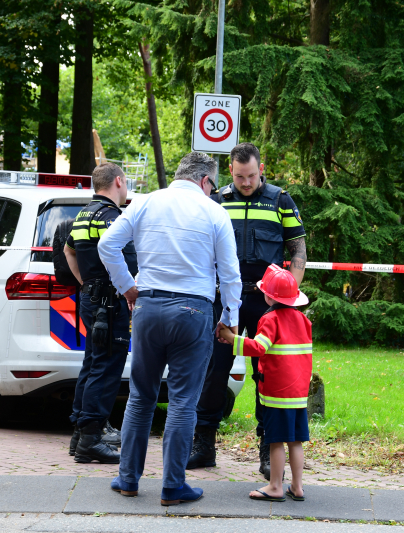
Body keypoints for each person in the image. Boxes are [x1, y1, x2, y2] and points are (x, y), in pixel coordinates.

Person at [98, 151, 242, 506]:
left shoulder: (146, 202)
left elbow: (107, 245)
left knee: (140, 396)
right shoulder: (214, 212)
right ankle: (173, 486)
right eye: (212, 186)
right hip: (193, 311)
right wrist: (230, 317)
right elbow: (230, 272)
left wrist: (127, 287)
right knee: (182, 401)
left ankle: (128, 478)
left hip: (147, 307)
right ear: (205, 181)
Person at [187, 142, 307, 480]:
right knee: (214, 370)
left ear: (261, 168)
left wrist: (287, 298)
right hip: (224, 298)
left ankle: (269, 451)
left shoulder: (280, 200)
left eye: (252, 175)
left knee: (268, 373)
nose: (246, 182)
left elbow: (298, 248)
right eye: (240, 176)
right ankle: (203, 445)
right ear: (231, 171)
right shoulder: (217, 200)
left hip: (265, 301)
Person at [217, 264, 312, 502]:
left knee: (275, 439)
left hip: (277, 393)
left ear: (268, 296)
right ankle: (297, 487)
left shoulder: (270, 319)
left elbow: (258, 347)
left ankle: (275, 487)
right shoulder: (304, 320)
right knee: (296, 441)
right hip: (298, 393)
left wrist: (231, 338)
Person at [64, 163, 138, 464]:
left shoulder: (83, 215)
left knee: (93, 363)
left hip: (91, 299)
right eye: (126, 183)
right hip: (109, 303)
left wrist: (86, 284)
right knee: (106, 368)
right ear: (118, 181)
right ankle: (91, 439)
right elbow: (115, 251)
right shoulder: (110, 216)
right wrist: (128, 288)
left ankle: (80, 433)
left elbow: (68, 251)